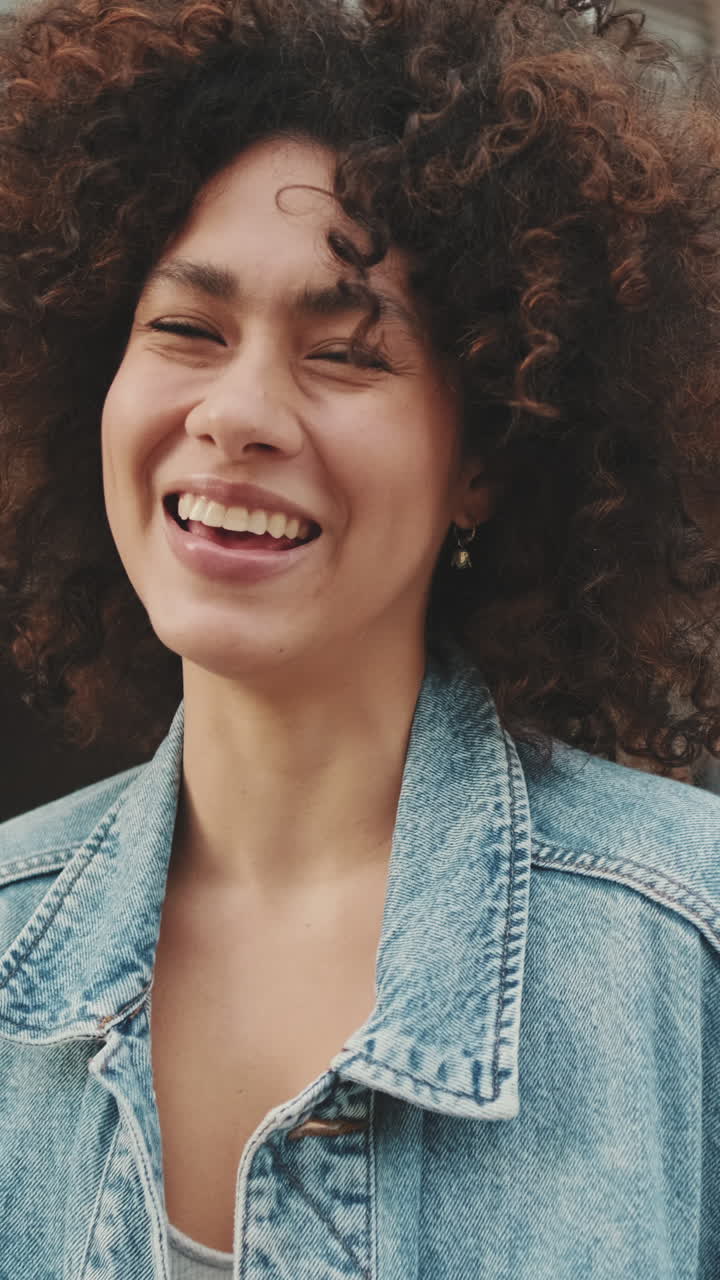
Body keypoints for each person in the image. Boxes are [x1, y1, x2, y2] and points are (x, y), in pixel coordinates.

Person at [0, 0, 719, 1275]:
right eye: (184, 328)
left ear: (485, 459)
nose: (240, 413)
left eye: (348, 351)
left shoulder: (686, 939)